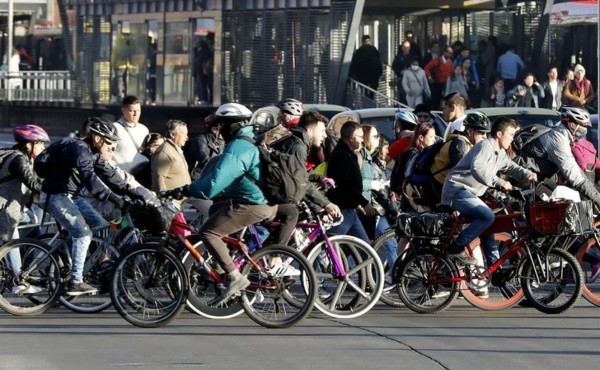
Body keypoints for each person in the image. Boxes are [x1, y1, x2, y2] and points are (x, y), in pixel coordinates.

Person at [40, 118, 155, 296]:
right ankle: (75, 281)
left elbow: (112, 176)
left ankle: (95, 262)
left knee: (100, 225)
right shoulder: (79, 150)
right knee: (83, 234)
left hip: (72, 196)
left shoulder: (93, 154)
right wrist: (115, 199)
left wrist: (137, 194)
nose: (112, 148)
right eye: (109, 143)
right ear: (97, 139)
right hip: (56, 196)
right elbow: (90, 179)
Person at [189, 103, 280, 306]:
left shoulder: (238, 146)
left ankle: (235, 276)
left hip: (253, 204)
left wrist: (187, 189)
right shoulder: (251, 139)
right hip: (259, 201)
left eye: (221, 125)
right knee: (214, 210)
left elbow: (213, 184)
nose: (219, 131)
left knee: (208, 232)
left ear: (233, 125)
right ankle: (223, 267)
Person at [441, 117, 537, 266]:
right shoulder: (486, 146)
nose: (513, 139)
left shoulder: (499, 152)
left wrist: (527, 174)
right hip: (457, 189)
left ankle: (494, 267)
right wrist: (500, 182)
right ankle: (455, 248)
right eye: (511, 135)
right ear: (499, 134)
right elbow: (477, 168)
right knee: (487, 216)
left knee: (489, 225)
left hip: (470, 193)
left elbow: (511, 167)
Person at [0, 125, 49, 295]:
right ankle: (18, 281)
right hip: (4, 209)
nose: (43, 147)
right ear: (29, 144)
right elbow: (33, 183)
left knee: (34, 228)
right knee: (12, 240)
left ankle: (26, 271)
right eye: (40, 143)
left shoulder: (26, 158)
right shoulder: (18, 159)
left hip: (11, 206)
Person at [517, 107, 600, 205]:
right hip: (527, 179)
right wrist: (597, 198)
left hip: (539, 178)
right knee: (568, 202)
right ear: (572, 124)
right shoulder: (558, 140)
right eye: (583, 126)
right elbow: (576, 178)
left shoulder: (563, 136)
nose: (585, 130)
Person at [325, 121, 372, 243]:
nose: (362, 140)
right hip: (342, 210)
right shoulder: (342, 156)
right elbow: (346, 185)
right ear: (351, 138)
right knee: (328, 246)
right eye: (361, 137)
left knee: (364, 250)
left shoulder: (350, 154)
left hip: (350, 209)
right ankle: (314, 261)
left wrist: (357, 203)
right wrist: (364, 202)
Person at [430, 112, 491, 204]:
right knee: (483, 215)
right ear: (469, 131)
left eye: (486, 133)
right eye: (481, 132)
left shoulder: (469, 145)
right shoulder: (459, 144)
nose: (485, 137)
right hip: (440, 189)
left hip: (451, 187)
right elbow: (464, 173)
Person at [151, 120, 191, 194]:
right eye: (184, 134)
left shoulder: (175, 150)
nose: (186, 137)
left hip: (183, 200)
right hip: (172, 202)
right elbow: (159, 179)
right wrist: (164, 199)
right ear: (173, 134)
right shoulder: (164, 152)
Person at [113, 95, 150, 175]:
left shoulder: (144, 129)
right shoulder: (114, 128)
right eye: (132, 111)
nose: (135, 114)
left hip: (143, 175)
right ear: (123, 110)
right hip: (123, 176)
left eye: (138, 110)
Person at [185, 113, 225, 180]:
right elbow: (205, 161)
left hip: (211, 176)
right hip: (198, 178)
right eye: (223, 129)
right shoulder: (200, 140)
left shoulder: (220, 141)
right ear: (214, 129)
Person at [392, 40, 416, 104]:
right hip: (402, 79)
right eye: (405, 47)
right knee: (403, 97)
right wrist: (400, 71)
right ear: (402, 48)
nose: (406, 49)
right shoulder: (398, 57)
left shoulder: (412, 57)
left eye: (408, 47)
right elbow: (394, 66)